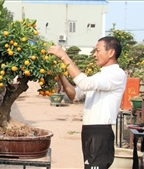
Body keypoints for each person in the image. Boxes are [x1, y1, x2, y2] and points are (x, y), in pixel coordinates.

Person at [48, 36, 127, 169]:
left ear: (111, 52)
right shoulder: (99, 76)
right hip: (89, 131)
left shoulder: (117, 74)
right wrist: (61, 74)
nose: (94, 55)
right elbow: (75, 95)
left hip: (100, 132)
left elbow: (84, 83)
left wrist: (64, 56)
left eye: (97, 50)